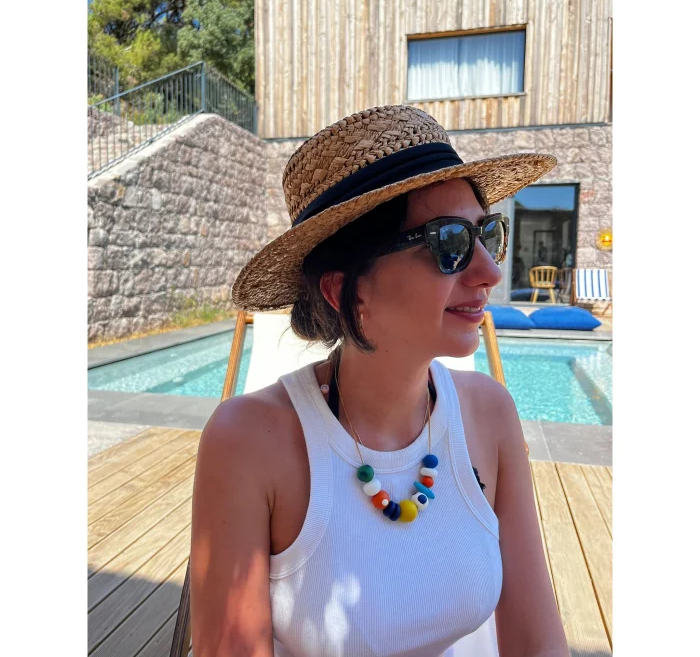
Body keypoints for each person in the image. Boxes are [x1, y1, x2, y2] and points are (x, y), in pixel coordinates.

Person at [190, 105, 569, 657]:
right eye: (449, 244)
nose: (489, 271)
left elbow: (539, 644)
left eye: (487, 234)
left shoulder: (489, 415)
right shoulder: (250, 442)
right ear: (347, 289)